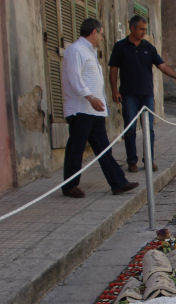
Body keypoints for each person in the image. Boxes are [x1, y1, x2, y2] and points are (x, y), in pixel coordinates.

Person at [61, 18, 138, 198]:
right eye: (101, 34)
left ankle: (118, 182)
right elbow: (75, 79)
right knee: (76, 148)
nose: (102, 38)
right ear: (94, 32)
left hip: (93, 110)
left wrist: (98, 102)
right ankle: (69, 186)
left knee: (104, 148)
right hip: (81, 109)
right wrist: (90, 97)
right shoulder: (76, 50)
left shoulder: (89, 51)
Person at [109, 15, 176, 173]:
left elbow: (162, 66)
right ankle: (132, 161)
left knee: (149, 128)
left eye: (145, 30)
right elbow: (113, 70)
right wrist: (114, 90)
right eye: (141, 29)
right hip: (128, 94)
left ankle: (149, 159)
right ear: (132, 28)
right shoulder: (120, 47)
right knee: (130, 128)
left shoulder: (148, 47)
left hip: (146, 94)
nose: (143, 32)